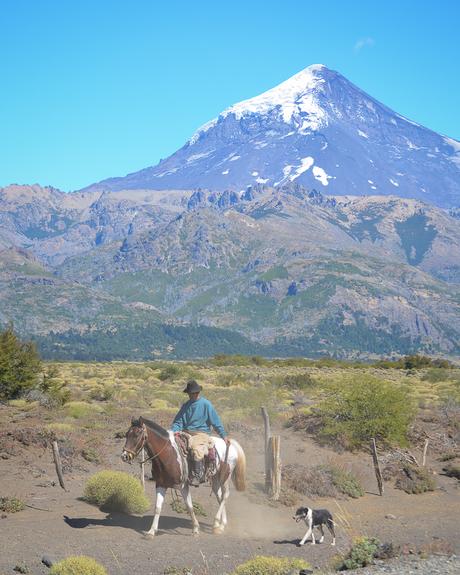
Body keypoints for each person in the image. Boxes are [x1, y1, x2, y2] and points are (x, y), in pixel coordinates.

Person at [171, 379, 230, 486]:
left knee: (196, 448)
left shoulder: (206, 404)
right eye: (189, 393)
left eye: (192, 393)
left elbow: (216, 422)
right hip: (186, 432)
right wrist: (174, 431)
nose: (190, 395)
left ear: (197, 393)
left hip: (201, 434)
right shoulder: (186, 406)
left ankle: (197, 475)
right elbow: (178, 421)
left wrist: (223, 436)